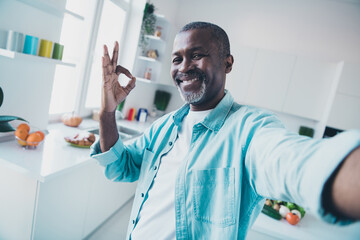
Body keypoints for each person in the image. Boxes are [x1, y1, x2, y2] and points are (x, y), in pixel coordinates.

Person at [91, 22, 360, 239]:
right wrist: (107, 112)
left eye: (197, 55)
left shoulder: (249, 129)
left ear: (228, 63)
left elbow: (293, 162)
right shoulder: (164, 126)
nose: (184, 67)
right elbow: (120, 167)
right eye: (177, 59)